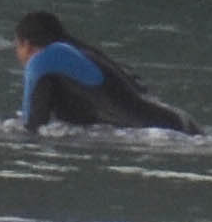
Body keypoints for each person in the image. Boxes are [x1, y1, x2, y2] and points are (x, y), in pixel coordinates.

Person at [12, 10, 197, 134]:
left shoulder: (42, 59)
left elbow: (33, 126)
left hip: (159, 133)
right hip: (177, 123)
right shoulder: (82, 53)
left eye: (17, 46)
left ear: (26, 44)